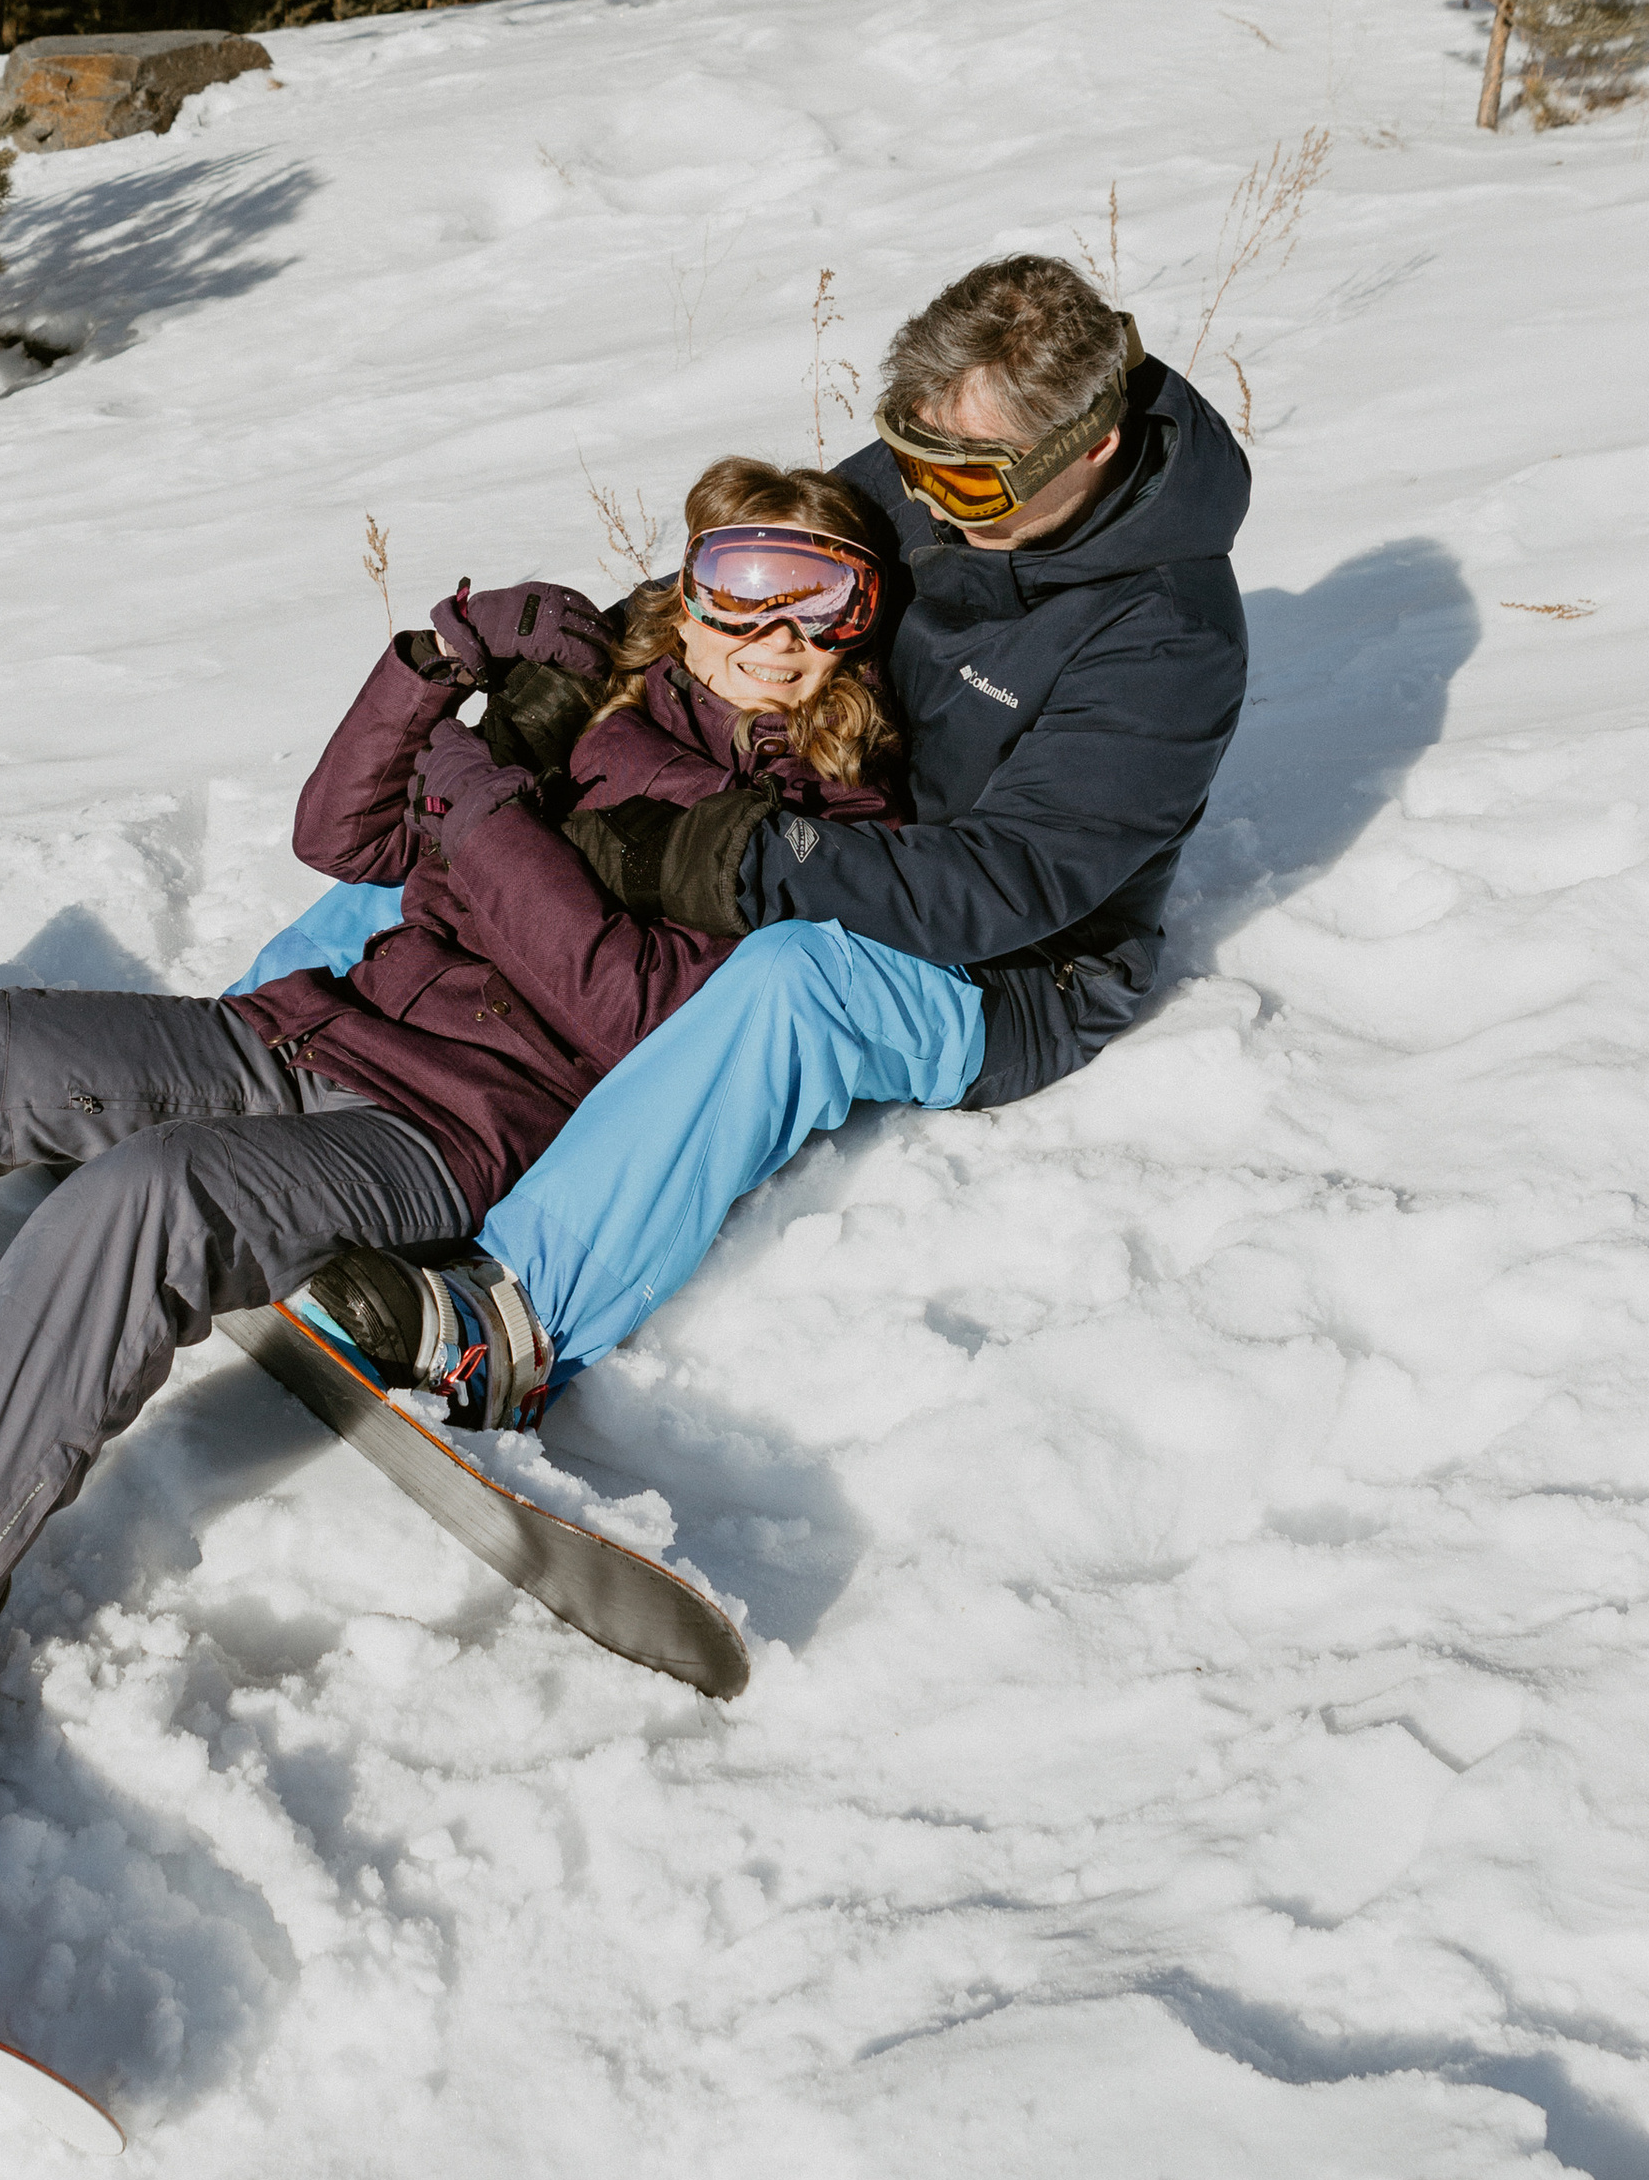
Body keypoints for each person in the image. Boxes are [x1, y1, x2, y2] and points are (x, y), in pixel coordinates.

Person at [0, 458, 904, 1790]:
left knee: (152, 1198)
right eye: (739, 584)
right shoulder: (575, 713)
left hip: (436, 1134)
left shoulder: (818, 828)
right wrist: (432, 662)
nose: (768, 634)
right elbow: (342, 835)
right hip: (282, 1035)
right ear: (688, 592)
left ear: (851, 632)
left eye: (811, 603)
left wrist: (485, 803)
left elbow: (620, 1004)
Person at [257, 252, 1250, 1396]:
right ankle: (246, 1060)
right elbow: (772, 571)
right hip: (820, 810)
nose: (920, 499)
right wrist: (573, 695)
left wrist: (744, 861)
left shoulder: (1165, 638)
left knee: (793, 982)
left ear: (1092, 449)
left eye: (965, 487)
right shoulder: (944, 467)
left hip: (1014, 968)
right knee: (472, 817)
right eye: (909, 454)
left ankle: (506, 1320)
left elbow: (1009, 887)